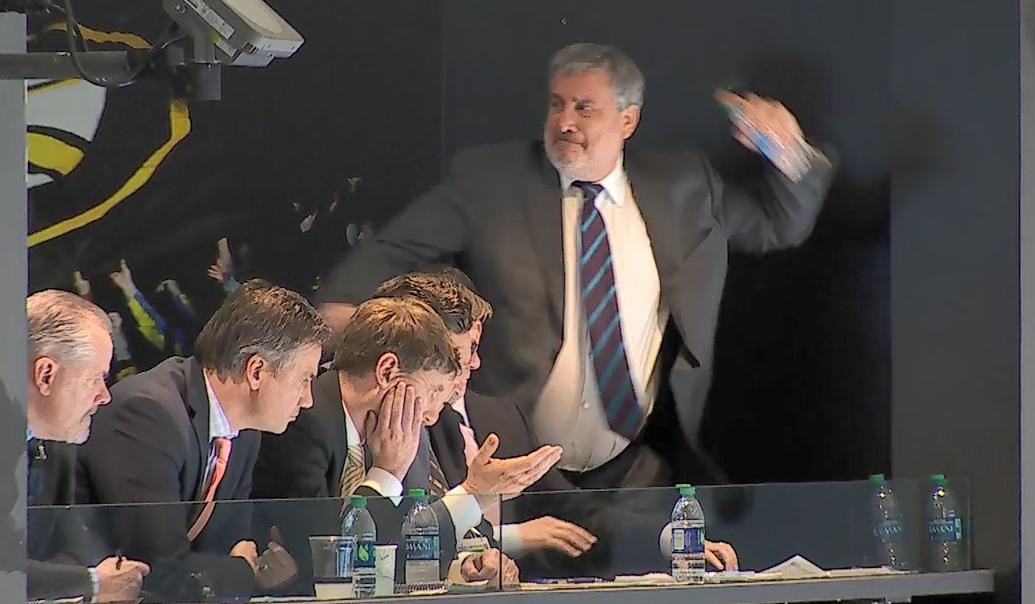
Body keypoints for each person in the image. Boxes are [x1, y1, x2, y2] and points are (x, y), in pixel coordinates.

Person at [317, 42, 835, 489]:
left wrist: (789, 152)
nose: (565, 122)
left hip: (642, 469)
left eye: (585, 108)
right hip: (514, 468)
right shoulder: (490, 185)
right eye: (557, 104)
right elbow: (392, 249)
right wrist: (342, 318)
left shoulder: (684, 188)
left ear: (627, 119)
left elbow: (778, 226)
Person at [377, 270, 738, 577]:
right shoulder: (404, 420)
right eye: (462, 352)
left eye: (475, 347)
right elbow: (410, 538)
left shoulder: (500, 417)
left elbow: (572, 511)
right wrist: (515, 536)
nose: (474, 364)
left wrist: (672, 539)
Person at [253, 296, 559, 585]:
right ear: (387, 371)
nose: (432, 415)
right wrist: (385, 474)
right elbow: (336, 563)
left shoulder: (395, 432)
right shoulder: (304, 421)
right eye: (433, 391)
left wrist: (461, 565)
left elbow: (404, 551)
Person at [75, 280, 330, 600]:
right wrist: (242, 571)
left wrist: (232, 566)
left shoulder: (246, 430)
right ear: (256, 371)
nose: (308, 399)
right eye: (304, 379)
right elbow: (158, 570)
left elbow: (225, 547)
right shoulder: (148, 414)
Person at [24, 290, 151, 602]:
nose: (104, 396)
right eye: (95, 379)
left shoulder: (59, 448)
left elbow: (72, 547)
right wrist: (92, 583)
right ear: (46, 375)